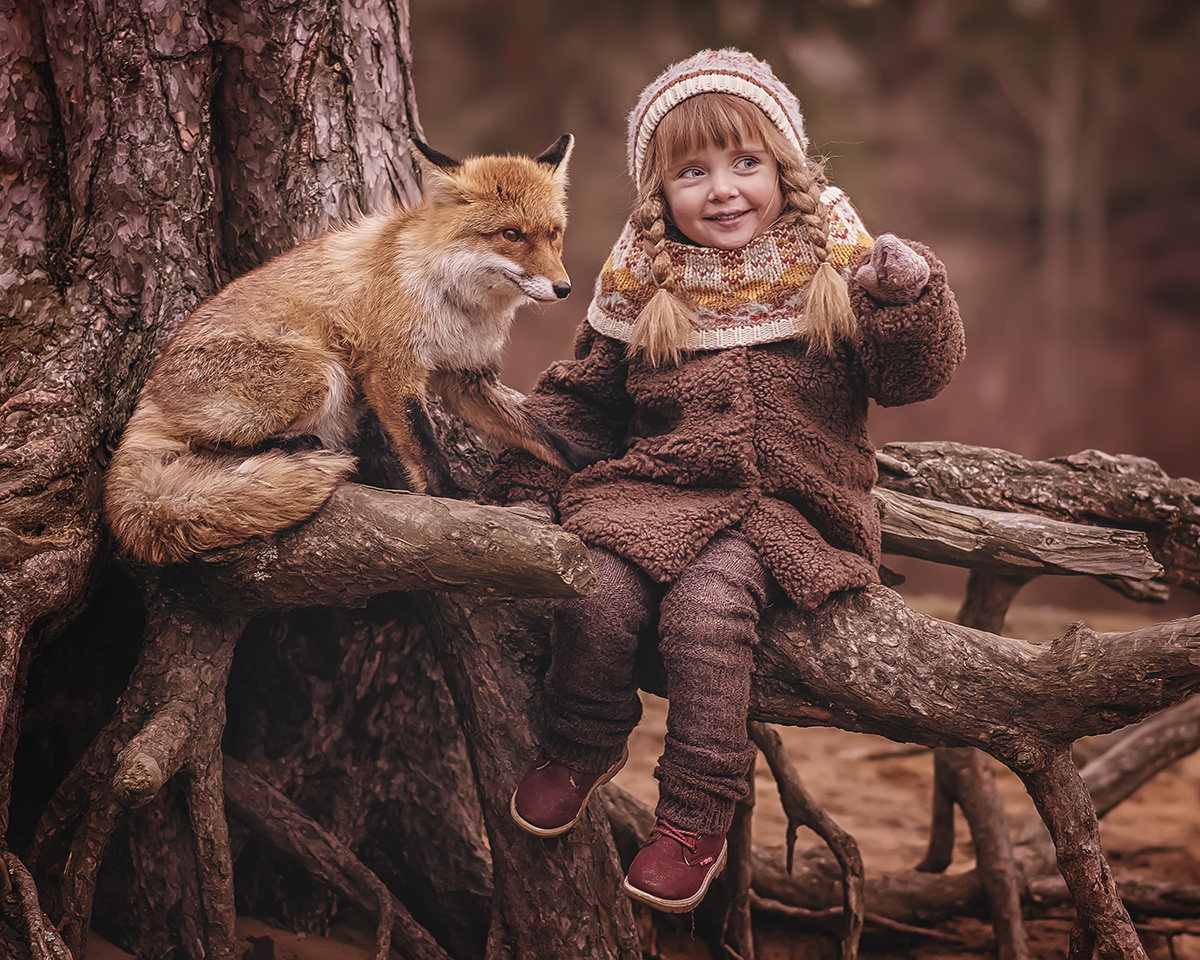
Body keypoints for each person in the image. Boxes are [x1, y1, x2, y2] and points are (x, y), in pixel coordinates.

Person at [484, 48, 966, 914]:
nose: (724, 189)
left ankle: (697, 814)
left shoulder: (837, 260)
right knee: (596, 591)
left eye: (747, 163)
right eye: (692, 172)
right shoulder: (642, 276)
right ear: (658, 193)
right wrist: (528, 486)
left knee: (707, 612)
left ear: (783, 167)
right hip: (659, 492)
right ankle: (578, 743)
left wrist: (910, 296)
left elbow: (908, 376)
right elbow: (583, 402)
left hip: (793, 506)